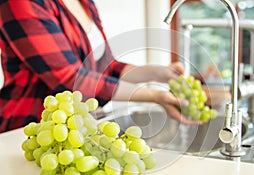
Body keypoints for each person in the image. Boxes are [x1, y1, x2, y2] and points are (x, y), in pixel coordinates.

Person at [0, 0, 200, 133]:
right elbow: (71, 78)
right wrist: (154, 95)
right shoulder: (20, 2)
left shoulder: (85, 2)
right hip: (28, 130)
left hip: (76, 128)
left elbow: (104, 67)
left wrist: (158, 73)